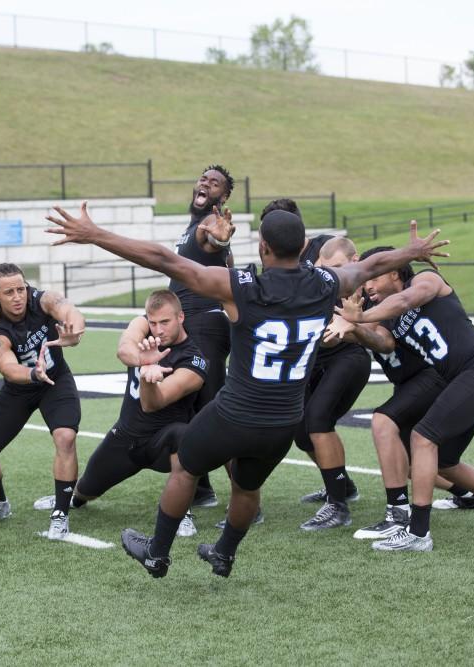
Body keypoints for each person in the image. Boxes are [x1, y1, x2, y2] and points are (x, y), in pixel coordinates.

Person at [47, 202, 448, 578]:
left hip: (236, 413)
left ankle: (158, 551)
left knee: (185, 466)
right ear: (305, 246)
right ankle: (224, 553)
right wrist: (411, 251)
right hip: (285, 419)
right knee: (247, 486)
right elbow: (371, 265)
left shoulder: (245, 288)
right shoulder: (327, 283)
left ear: (263, 246)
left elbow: (165, 260)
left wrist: (96, 234)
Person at [328, 247, 474, 552]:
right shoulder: (388, 317)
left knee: (423, 437)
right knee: (446, 463)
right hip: (459, 381)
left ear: (396, 272)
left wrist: (361, 317)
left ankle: (418, 532)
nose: (367, 283)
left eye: (374, 275)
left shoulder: (425, 280)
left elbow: (407, 300)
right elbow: (382, 342)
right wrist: (353, 329)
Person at [34, 290, 207, 537]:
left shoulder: (194, 359)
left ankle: (182, 512)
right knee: (86, 489)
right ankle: (73, 499)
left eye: (165, 322)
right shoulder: (142, 325)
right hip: (126, 435)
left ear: (181, 317)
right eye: (153, 322)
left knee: (183, 435)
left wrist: (148, 371)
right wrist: (141, 358)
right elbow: (123, 349)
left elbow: (152, 404)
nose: (158, 330)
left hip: (163, 443)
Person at [0, 263, 85, 540]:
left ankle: (60, 513)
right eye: (9, 292)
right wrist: (33, 373)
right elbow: (8, 367)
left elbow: (69, 311)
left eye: (21, 289)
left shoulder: (42, 300)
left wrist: (73, 332)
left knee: (66, 437)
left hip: (56, 382)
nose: (18, 296)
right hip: (20, 387)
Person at [169, 165, 236, 510]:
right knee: (190, 408)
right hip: (191, 324)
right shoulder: (192, 226)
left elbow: (216, 238)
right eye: (203, 179)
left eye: (215, 183)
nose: (205, 184)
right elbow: (229, 267)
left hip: (205, 325)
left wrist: (221, 238)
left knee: (214, 409)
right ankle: (201, 489)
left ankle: (244, 497)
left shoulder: (209, 225)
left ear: (222, 197)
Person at [295, 236, 372, 531]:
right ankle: (342, 484)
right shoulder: (316, 277)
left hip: (349, 356)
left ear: (355, 261)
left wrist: (351, 328)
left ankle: (338, 505)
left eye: (338, 267)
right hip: (317, 359)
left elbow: (379, 333)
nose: (333, 275)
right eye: (327, 269)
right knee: (301, 433)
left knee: (318, 420)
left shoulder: (370, 284)